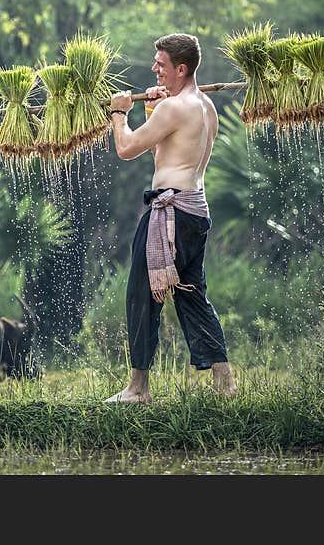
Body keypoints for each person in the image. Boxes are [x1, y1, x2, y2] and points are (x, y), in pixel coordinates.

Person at [105, 33, 236, 403]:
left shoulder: (174, 109)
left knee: (141, 295)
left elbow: (127, 148)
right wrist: (150, 111)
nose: (154, 69)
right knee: (193, 296)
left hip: (169, 214)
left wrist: (119, 112)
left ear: (181, 69)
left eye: (160, 64)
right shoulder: (205, 107)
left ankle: (137, 388)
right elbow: (167, 156)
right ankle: (225, 383)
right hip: (195, 212)